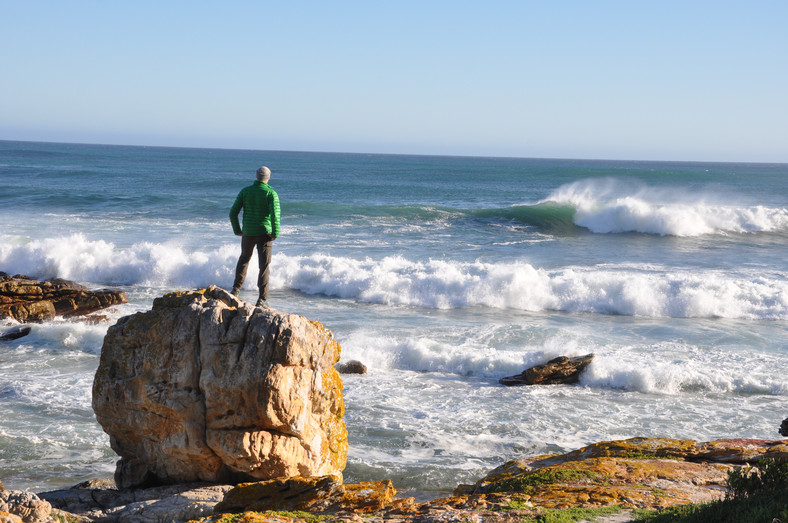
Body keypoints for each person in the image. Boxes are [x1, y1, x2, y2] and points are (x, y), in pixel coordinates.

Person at [229, 166, 281, 307]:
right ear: (268, 178)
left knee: (244, 259)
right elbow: (275, 216)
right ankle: (262, 299)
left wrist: (237, 230)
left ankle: (235, 291)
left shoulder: (245, 192)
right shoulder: (271, 193)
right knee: (264, 266)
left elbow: (233, 212)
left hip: (248, 232)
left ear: (256, 176)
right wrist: (275, 233)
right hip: (265, 234)